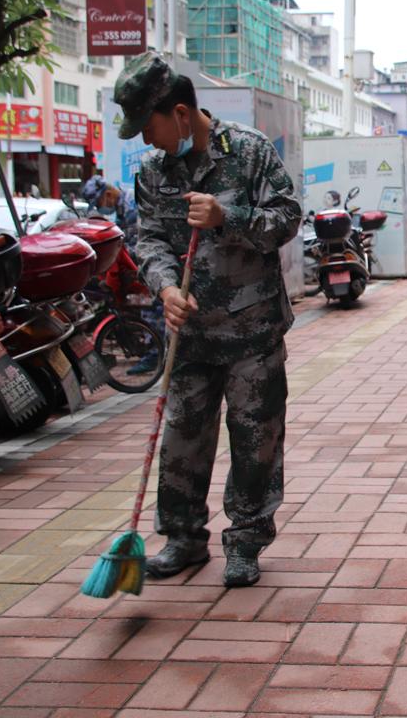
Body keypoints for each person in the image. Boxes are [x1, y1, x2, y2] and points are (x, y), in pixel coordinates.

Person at [117, 51, 301, 586]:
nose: (145, 141)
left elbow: (286, 219)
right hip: (190, 335)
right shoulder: (154, 171)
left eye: (148, 127)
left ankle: (245, 541)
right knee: (182, 437)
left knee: (255, 439)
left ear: (179, 113)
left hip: (252, 330)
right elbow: (148, 237)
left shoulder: (248, 151)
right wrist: (165, 286)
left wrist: (229, 217)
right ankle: (183, 538)